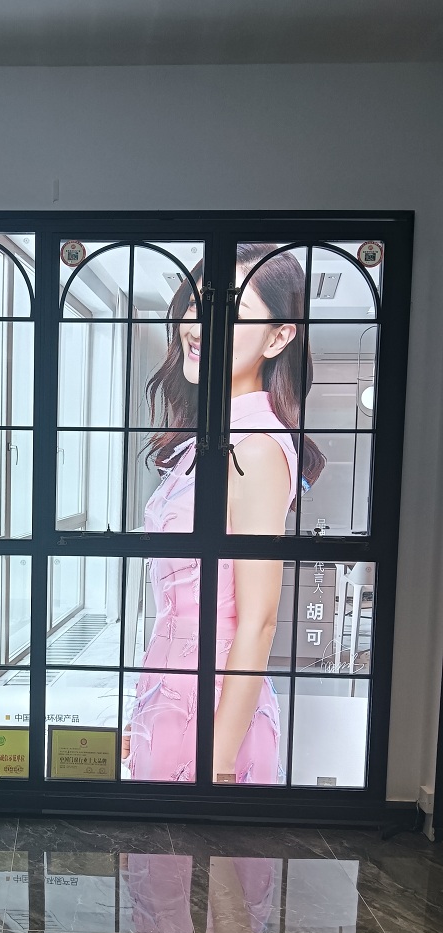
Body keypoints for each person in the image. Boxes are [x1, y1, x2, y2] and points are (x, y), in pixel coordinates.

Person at [123, 244, 324, 784]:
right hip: (171, 694)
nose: (199, 325)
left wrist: (218, 762)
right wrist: (147, 704)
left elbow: (259, 620)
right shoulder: (209, 438)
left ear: (278, 337)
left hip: (215, 715)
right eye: (197, 303)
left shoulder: (255, 447)